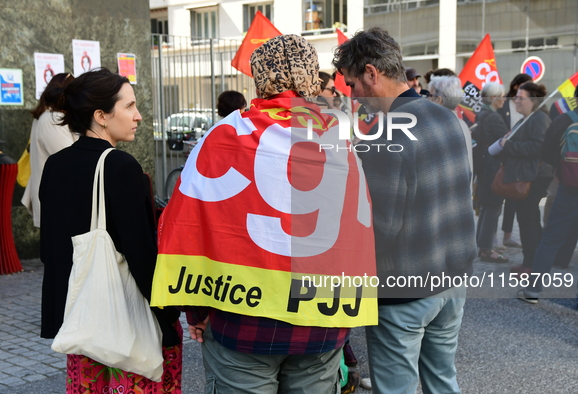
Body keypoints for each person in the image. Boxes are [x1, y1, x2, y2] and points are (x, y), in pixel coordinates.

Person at [155, 35, 377, 393]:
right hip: (320, 323)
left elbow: (185, 225)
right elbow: (358, 228)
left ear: (259, 78)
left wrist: (196, 312)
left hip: (240, 324)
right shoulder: (339, 139)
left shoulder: (223, 134)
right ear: (311, 78)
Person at [333, 27, 476, 394]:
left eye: (352, 84)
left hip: (405, 289)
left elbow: (379, 229)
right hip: (452, 279)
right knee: (443, 380)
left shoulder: (386, 136)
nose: (353, 94)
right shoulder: (449, 118)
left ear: (371, 73)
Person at [39, 68, 182, 393]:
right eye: (129, 106)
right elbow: (142, 256)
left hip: (83, 325)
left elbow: (51, 250)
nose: (139, 116)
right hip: (128, 327)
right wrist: (169, 315)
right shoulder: (120, 167)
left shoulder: (56, 164)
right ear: (101, 115)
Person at [517, 79, 578, 312]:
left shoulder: (564, 120)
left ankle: (532, 291)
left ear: (576, 98)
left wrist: (561, 169)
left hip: (569, 188)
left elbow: (547, 151)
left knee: (550, 240)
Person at [497, 82, 553, 275]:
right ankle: (533, 261)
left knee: (528, 219)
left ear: (533, 101)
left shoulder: (539, 119)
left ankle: (531, 263)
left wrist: (509, 146)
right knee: (528, 218)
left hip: (535, 176)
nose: (516, 101)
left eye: (521, 98)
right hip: (528, 174)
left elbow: (537, 147)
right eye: (516, 97)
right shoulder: (527, 119)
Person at [21, 73, 76, 228]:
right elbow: (72, 159)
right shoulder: (52, 119)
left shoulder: (45, 116)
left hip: (54, 200)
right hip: (57, 202)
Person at [473, 82, 510, 263]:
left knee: (487, 207)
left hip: (484, 165)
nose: (504, 99)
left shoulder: (483, 113)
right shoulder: (493, 117)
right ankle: (486, 249)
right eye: (502, 96)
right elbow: (506, 141)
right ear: (494, 98)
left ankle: (482, 246)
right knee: (492, 207)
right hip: (493, 166)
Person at [498, 74, 533, 248]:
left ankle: (508, 235)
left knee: (513, 197)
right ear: (516, 86)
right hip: (504, 151)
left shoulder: (532, 110)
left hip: (517, 153)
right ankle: (495, 237)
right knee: (499, 195)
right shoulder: (504, 104)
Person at [428, 75, 473, 172]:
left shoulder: (435, 127)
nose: (427, 99)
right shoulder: (462, 124)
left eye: (430, 96)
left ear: (439, 100)